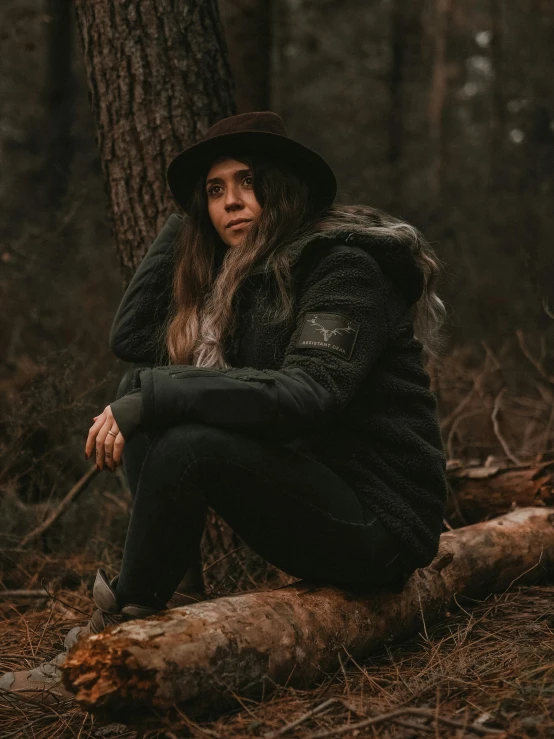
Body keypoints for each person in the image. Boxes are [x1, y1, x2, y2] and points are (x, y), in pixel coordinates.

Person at [0, 111, 448, 703]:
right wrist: (185, 221)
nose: (232, 203)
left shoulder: (344, 268)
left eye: (247, 183)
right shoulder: (244, 280)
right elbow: (132, 337)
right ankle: (169, 606)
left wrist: (149, 402)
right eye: (215, 192)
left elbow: (310, 393)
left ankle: (120, 630)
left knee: (180, 433)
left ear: (284, 187)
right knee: (142, 379)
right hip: (318, 491)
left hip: (382, 520)